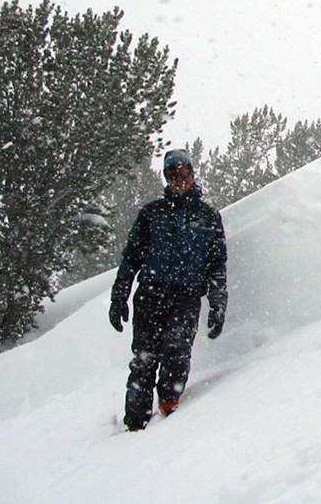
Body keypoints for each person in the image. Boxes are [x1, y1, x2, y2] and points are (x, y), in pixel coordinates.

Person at [108, 149, 228, 431]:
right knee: (143, 361)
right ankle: (135, 424)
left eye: (183, 173)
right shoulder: (151, 215)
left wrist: (218, 303)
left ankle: (170, 414)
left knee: (177, 354)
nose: (179, 179)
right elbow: (131, 259)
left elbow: (216, 265)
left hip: (186, 298)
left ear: (192, 173)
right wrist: (119, 297)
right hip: (150, 295)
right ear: (166, 177)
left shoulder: (208, 217)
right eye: (172, 174)